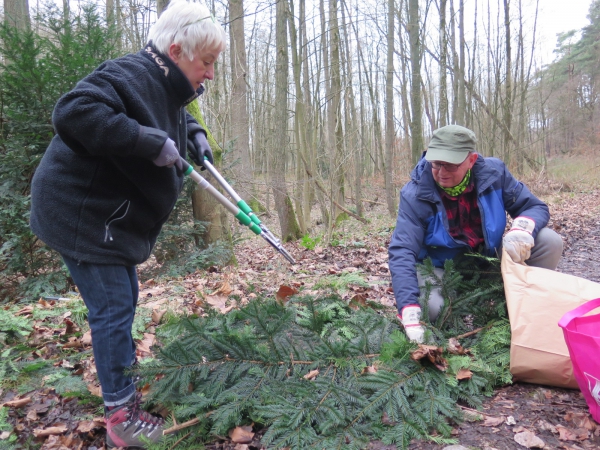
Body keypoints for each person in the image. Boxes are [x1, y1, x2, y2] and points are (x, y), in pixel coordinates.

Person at [29, 1, 226, 447]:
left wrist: (191, 131)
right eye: (207, 63)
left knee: (126, 298)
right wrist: (144, 141)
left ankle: (124, 383)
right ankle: (122, 418)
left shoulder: (165, 80)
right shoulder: (128, 73)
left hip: (107, 217)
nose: (211, 74)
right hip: (80, 211)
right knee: (113, 307)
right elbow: (73, 111)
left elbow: (167, 110)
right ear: (176, 51)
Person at [388, 125, 563, 343]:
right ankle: (453, 311)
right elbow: (402, 250)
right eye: (436, 164)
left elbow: (534, 207)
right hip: (442, 269)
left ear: (471, 160)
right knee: (431, 308)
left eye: (450, 165)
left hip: (488, 259)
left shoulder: (494, 174)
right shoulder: (415, 194)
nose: (441, 173)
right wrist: (409, 308)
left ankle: (525, 308)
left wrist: (522, 228)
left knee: (549, 242)